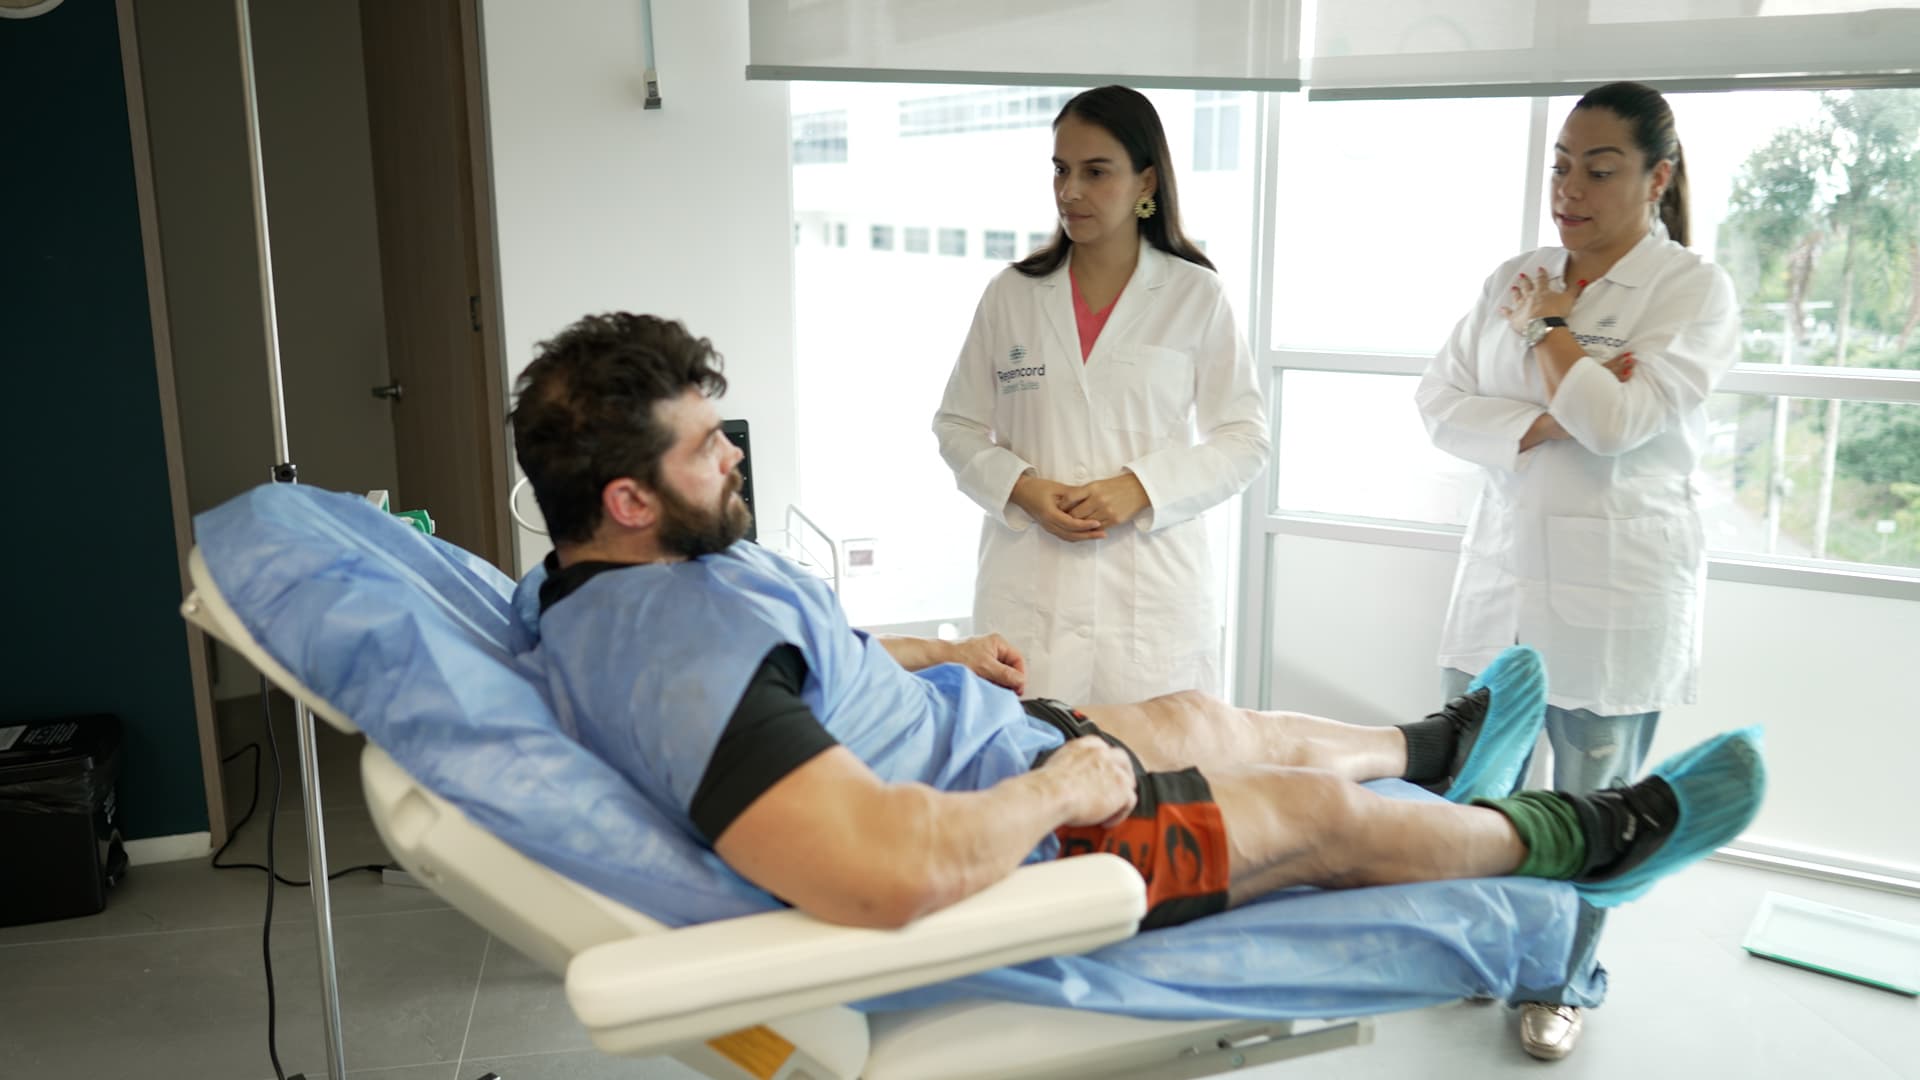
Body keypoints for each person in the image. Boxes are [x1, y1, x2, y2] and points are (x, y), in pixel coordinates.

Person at [511, 311, 1762, 950]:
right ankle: (1585, 839)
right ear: (628, 500)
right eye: (705, 447)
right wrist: (1061, 788)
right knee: (1315, 817)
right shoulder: (671, 655)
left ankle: (1431, 754)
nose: (734, 456)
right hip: (1042, 838)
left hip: (979, 739)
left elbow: (797, 665)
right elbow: (882, 871)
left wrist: (942, 656)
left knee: (1204, 718)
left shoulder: (637, 574)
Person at [1414, 81, 1741, 1061]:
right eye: (1562, 165)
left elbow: (1616, 425)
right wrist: (1544, 416)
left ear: (1658, 179)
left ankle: (1560, 982)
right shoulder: (1516, 276)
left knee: (1595, 800)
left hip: (1619, 588)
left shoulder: (1690, 292)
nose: (1570, 189)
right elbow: (1439, 403)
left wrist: (1551, 335)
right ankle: (1485, 947)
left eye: (1599, 170)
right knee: (1480, 778)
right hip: (1504, 573)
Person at [933, 85, 1268, 705]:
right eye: (1060, 170)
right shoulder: (1012, 294)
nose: (1070, 192)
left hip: (1150, 601)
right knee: (1031, 755)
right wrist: (1022, 488)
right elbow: (955, 424)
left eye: (1095, 172)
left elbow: (1245, 440)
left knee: (1155, 761)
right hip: (1032, 595)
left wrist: (1142, 488)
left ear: (1146, 181)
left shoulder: (1195, 296)